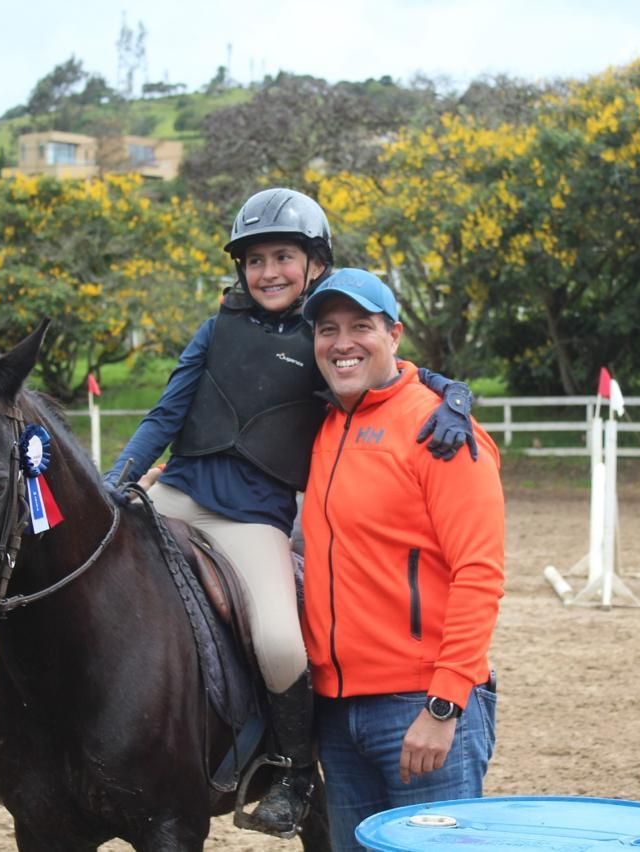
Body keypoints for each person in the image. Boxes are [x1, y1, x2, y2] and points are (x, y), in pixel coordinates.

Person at [103, 188, 477, 837]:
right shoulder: (214, 329)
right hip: (178, 494)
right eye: (255, 260)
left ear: (314, 264)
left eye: (283, 256)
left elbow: (398, 372)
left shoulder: (326, 337)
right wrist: (117, 481)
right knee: (89, 568)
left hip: (252, 519)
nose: (268, 271)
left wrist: (454, 396)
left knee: (280, 642)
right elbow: (165, 414)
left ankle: (292, 768)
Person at [298, 268, 506, 851]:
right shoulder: (326, 427)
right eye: (328, 329)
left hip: (419, 707)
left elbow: (480, 574)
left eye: (360, 326)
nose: (342, 343)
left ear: (395, 334)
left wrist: (443, 706)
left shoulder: (442, 433)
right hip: (338, 715)